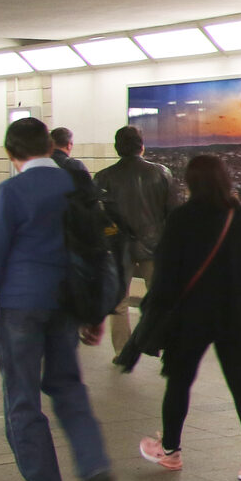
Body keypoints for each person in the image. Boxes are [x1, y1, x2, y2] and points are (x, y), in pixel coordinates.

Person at [0, 116, 113, 481]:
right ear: (49, 146)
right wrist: (95, 313)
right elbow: (94, 250)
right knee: (68, 388)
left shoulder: (11, 192)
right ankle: (94, 464)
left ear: (11, 153)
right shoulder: (74, 186)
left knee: (22, 399)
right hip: (66, 304)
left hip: (20, 308)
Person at [129, 154, 241, 480]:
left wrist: (155, 313)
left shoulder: (181, 218)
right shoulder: (237, 216)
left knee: (179, 382)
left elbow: (167, 274)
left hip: (190, 316)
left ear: (191, 182)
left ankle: (170, 451)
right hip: (233, 315)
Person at [94, 125, 181, 359]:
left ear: (117, 147)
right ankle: (161, 343)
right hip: (155, 246)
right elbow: (174, 213)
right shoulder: (161, 173)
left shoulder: (103, 177)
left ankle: (122, 351)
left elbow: (98, 218)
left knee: (119, 302)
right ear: (142, 146)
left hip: (119, 248)